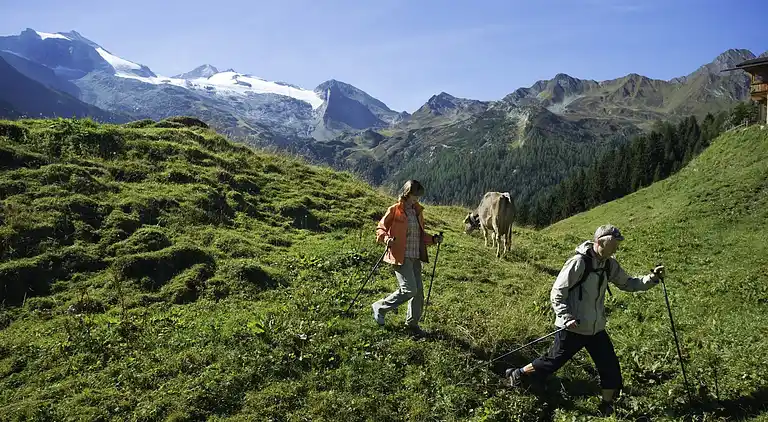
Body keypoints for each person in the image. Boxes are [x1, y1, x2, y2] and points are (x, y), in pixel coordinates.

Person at [505, 224, 665, 415]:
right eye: (613, 245)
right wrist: (565, 317)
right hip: (573, 327)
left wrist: (653, 279)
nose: (616, 249)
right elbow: (557, 292)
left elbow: (628, 283)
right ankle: (518, 374)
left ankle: (607, 406)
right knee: (552, 362)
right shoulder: (578, 263)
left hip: (595, 329)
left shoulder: (609, 264)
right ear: (599, 243)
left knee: (610, 367)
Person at [371, 180, 443, 337]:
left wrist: (433, 240)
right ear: (407, 193)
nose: (417, 197)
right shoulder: (395, 210)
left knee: (418, 294)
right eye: (415, 194)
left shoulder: (417, 212)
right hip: (400, 255)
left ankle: (412, 324)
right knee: (409, 289)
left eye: (418, 195)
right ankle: (380, 307)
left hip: (415, 256)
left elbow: (420, 236)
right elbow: (380, 228)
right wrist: (385, 238)